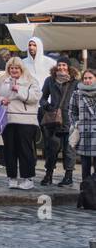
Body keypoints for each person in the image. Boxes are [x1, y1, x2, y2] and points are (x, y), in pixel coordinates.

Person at [0, 56, 41, 190]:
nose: (14, 70)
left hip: (26, 120)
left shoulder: (31, 81)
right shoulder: (2, 81)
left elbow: (35, 97)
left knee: (25, 150)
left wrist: (19, 90)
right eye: (11, 68)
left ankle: (28, 178)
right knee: (9, 150)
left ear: (22, 69)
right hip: (8, 120)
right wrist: (1, 99)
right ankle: (12, 177)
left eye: (16, 68)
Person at [39, 56, 77, 187]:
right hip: (54, 121)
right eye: (59, 65)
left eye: (64, 65)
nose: (61, 67)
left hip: (70, 121)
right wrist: (48, 106)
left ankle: (68, 176)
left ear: (68, 67)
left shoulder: (75, 83)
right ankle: (48, 175)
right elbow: (42, 98)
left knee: (69, 150)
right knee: (52, 149)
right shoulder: (49, 80)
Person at [66, 67, 96, 182]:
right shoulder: (77, 94)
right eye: (85, 78)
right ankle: (85, 192)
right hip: (84, 133)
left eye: (90, 78)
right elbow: (72, 111)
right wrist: (76, 124)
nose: (87, 80)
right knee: (85, 166)